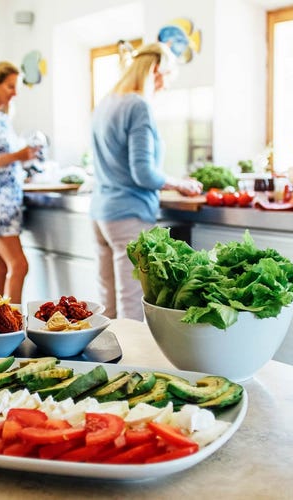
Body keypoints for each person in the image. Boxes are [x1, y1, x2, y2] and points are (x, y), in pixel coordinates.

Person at [89, 42, 203, 321]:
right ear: (154, 70)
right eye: (165, 79)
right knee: (133, 307)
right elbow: (143, 173)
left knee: (108, 306)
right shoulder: (138, 105)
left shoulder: (106, 102)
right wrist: (180, 184)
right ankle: (132, 364)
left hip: (100, 214)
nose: (163, 87)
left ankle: (111, 362)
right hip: (128, 215)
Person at [0, 61, 38, 304]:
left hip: (11, 200)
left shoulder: (5, 117)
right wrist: (18, 156)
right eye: (10, 86)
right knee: (20, 265)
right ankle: (13, 324)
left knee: (1, 267)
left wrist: (24, 162)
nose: (15, 92)